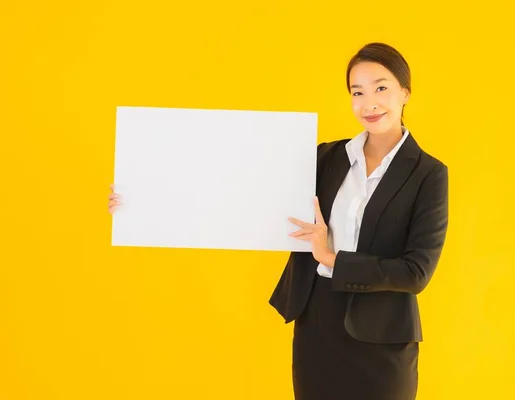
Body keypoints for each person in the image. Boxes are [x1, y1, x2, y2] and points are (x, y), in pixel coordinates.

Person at [108, 42, 448, 400]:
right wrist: (141, 200)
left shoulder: (429, 174)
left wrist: (330, 258)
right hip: (317, 326)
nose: (369, 103)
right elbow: (240, 190)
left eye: (381, 88)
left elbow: (416, 272)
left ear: (405, 92)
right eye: (357, 92)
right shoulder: (326, 158)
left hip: (383, 338)